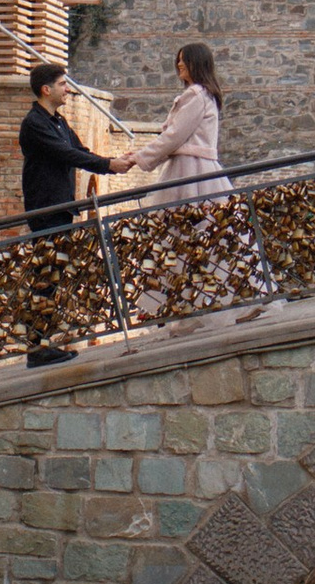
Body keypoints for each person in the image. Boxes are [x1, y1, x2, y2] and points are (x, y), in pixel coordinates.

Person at [18, 62, 131, 364]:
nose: (67, 89)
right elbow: (66, 155)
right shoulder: (34, 124)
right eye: (62, 84)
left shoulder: (58, 122)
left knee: (52, 276)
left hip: (61, 207)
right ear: (47, 89)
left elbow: (81, 151)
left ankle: (43, 343)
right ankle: (37, 349)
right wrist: (109, 165)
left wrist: (112, 162)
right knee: (45, 276)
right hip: (45, 209)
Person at [124, 41, 229, 202]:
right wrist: (141, 156)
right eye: (178, 60)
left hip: (189, 169)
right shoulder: (205, 94)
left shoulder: (197, 95)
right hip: (201, 169)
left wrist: (140, 157)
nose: (179, 64)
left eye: (183, 60)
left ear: (196, 63)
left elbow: (174, 136)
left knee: (182, 219)